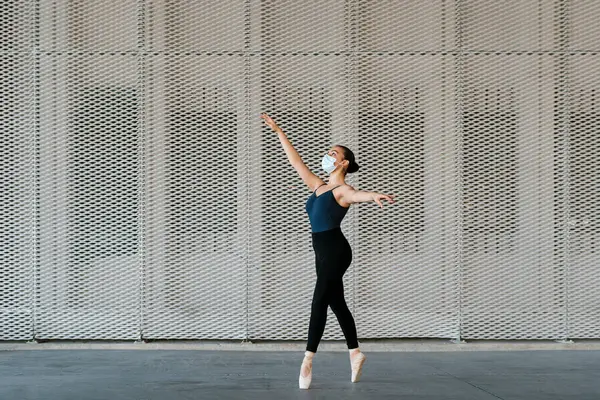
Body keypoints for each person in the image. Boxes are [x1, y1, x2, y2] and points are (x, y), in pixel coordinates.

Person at [260, 113, 395, 389]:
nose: (328, 156)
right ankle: (355, 353)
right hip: (322, 253)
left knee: (319, 300)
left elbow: (358, 196)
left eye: (333, 153)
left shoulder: (343, 190)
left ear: (343, 162)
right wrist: (279, 131)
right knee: (336, 302)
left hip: (335, 250)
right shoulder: (319, 187)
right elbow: (296, 162)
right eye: (328, 152)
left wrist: (373, 196)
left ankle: (307, 360)